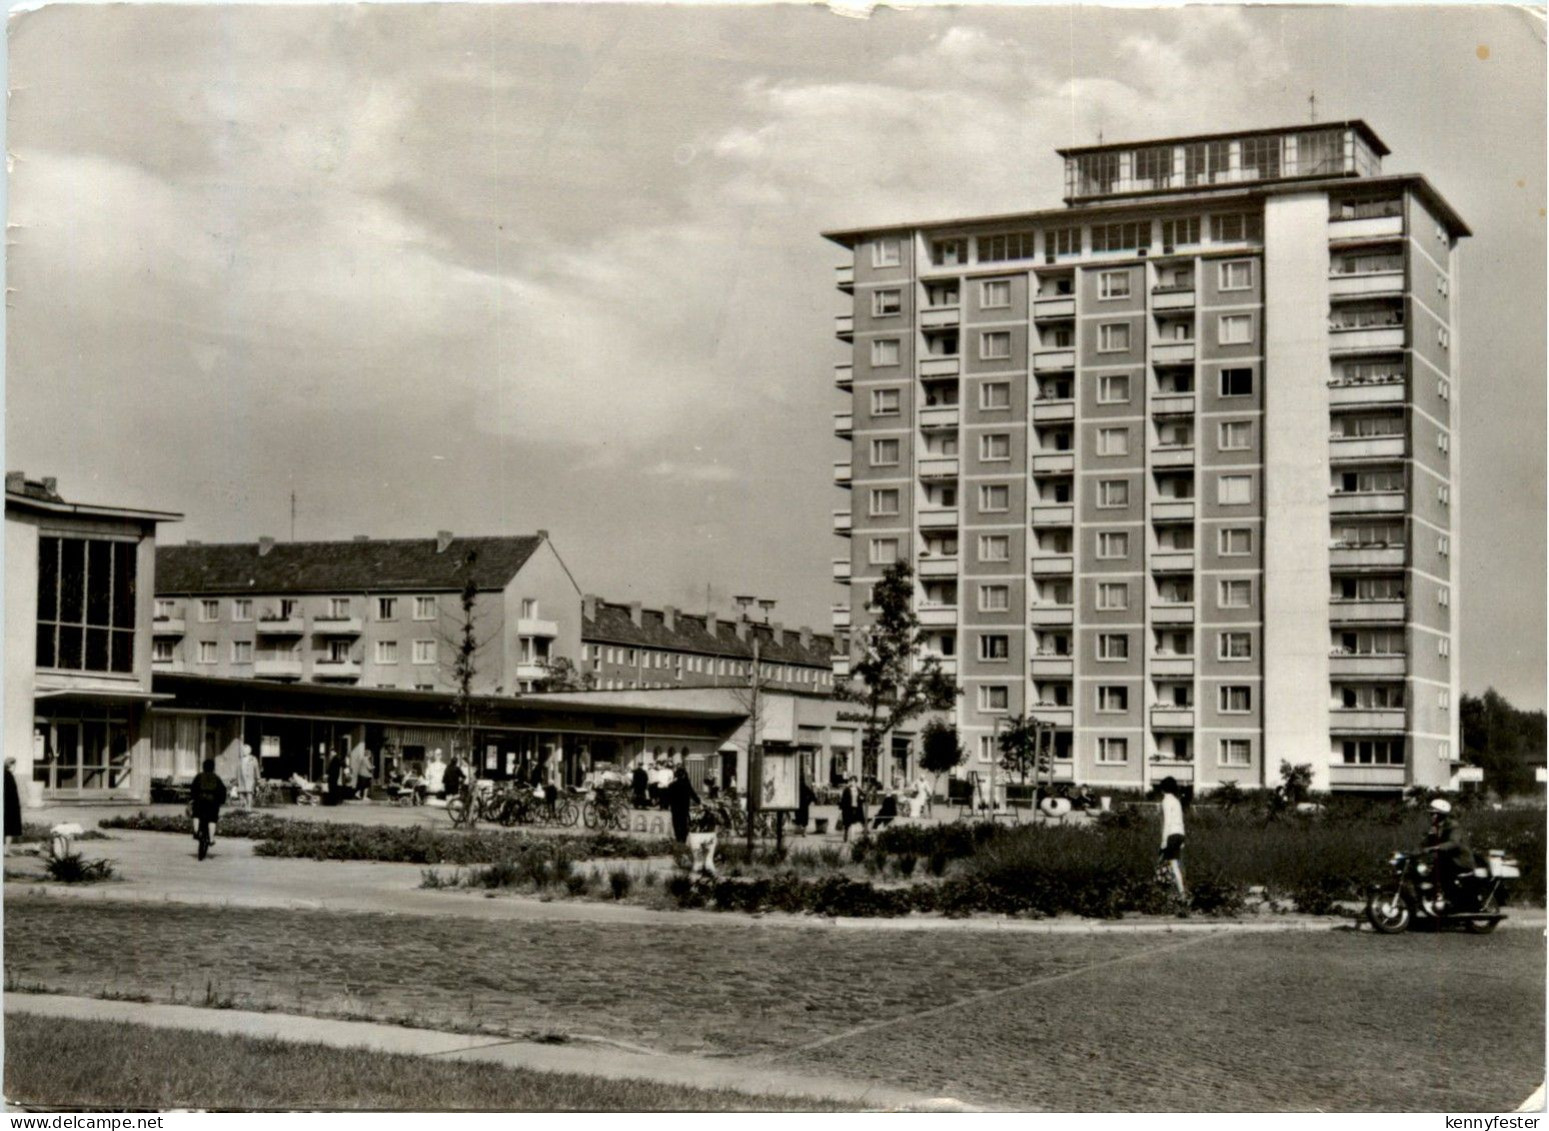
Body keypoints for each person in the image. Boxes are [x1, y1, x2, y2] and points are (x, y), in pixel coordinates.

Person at [1419, 798, 1474, 907]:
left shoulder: (1453, 826)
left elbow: (1453, 843)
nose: (1432, 816)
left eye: (1435, 814)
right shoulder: (1435, 827)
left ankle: (1450, 899)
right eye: (1431, 814)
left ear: (1442, 815)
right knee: (1426, 870)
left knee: (1443, 871)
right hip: (1447, 859)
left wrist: (1434, 848)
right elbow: (1425, 843)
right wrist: (1416, 850)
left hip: (1460, 860)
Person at [1156, 776, 1186, 897]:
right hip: (1180, 834)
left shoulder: (1166, 801)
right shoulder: (1176, 801)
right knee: (1173, 864)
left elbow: (1167, 822)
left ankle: (1182, 894)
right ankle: (1172, 892)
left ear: (1163, 789)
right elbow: (1181, 820)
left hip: (1171, 834)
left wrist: (1164, 840)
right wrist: (1183, 839)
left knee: (1171, 865)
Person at [190, 757, 228, 848]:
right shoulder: (216, 778)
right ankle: (211, 839)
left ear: (203, 767)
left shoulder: (199, 776)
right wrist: (221, 801)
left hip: (200, 800)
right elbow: (222, 790)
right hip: (212, 802)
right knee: (212, 819)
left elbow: (193, 788)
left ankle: (196, 831)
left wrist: (193, 798)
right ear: (213, 768)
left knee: (196, 814)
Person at [666, 765, 700, 844]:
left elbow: (668, 797)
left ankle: (678, 839)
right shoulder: (686, 785)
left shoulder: (671, 785)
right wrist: (699, 802)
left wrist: (668, 805)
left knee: (676, 823)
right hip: (684, 807)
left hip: (674, 808)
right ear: (684, 775)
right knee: (683, 823)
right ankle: (683, 840)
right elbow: (693, 795)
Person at [4, 757, 22, 848]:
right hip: (10, 806)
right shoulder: (8, 776)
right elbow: (11, 793)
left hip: (6, 805)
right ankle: (6, 850)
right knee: (10, 829)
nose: (15, 767)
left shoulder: (5, 774)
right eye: (14, 765)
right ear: (10, 765)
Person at [235, 744, 260, 810]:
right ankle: (244, 807)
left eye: (246, 750)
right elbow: (237, 770)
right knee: (241, 794)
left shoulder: (253, 759)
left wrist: (258, 779)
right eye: (243, 750)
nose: (244, 751)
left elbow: (256, 769)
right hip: (241, 779)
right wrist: (236, 780)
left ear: (249, 751)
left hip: (250, 779)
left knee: (249, 793)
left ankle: (249, 807)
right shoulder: (240, 760)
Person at [839, 776, 864, 842]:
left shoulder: (858, 789)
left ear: (856, 782)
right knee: (847, 823)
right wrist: (842, 807)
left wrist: (862, 798)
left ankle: (852, 837)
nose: (852, 782)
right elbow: (843, 799)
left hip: (856, 808)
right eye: (851, 781)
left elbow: (863, 797)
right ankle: (846, 834)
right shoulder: (847, 790)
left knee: (854, 823)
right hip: (848, 808)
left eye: (854, 781)